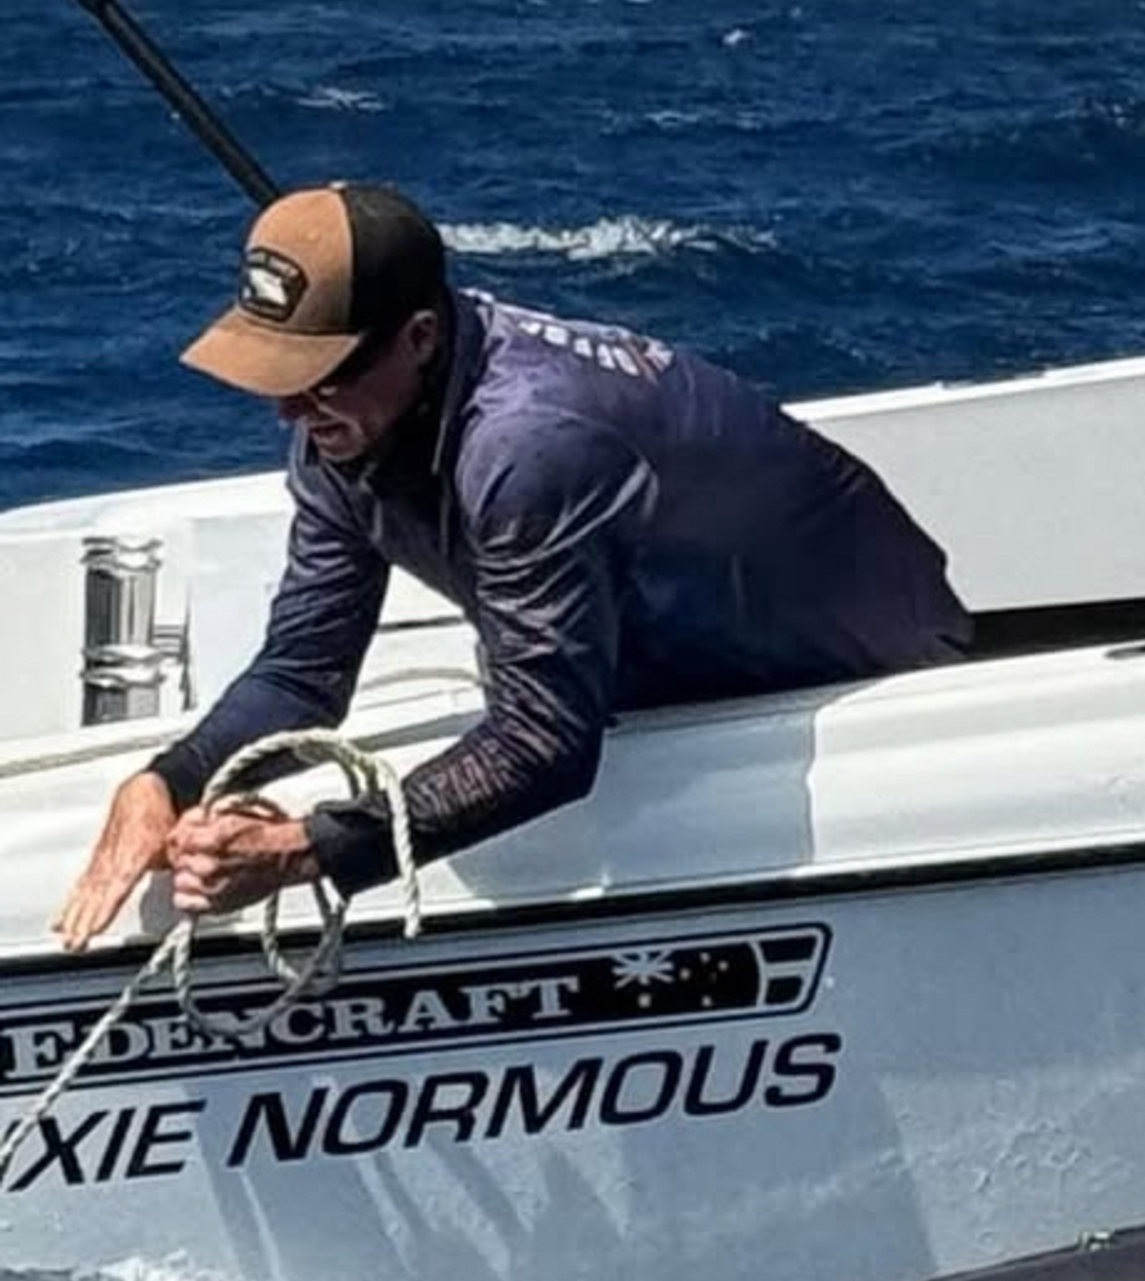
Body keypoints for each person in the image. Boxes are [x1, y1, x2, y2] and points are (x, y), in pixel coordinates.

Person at [53, 184, 972, 944]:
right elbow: (302, 672)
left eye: (320, 375)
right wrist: (166, 781)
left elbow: (546, 744)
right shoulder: (344, 428)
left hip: (870, 670)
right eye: (276, 378)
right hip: (660, 652)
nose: (291, 412)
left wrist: (304, 850)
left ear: (418, 338)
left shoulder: (530, 444)